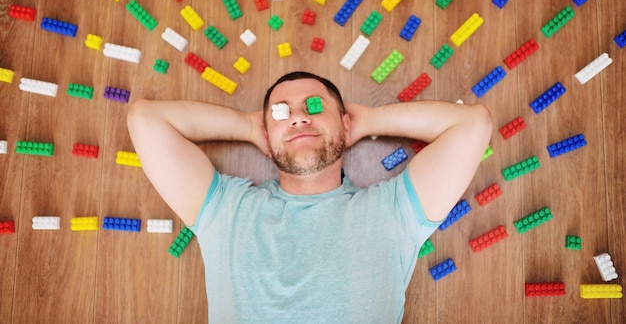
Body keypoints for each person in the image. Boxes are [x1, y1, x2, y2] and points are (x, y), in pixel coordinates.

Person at [127, 71, 493, 323]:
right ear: (267, 135)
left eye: (314, 106)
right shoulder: (226, 209)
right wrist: (246, 126)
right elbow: (145, 118)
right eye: (282, 112)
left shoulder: (393, 211)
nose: (299, 118)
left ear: (345, 123)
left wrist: (368, 121)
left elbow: (473, 124)